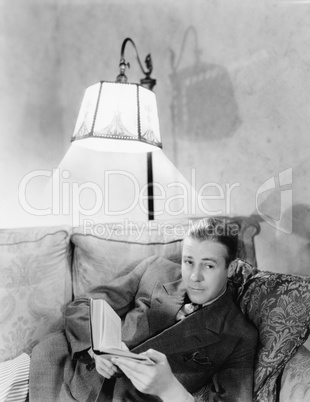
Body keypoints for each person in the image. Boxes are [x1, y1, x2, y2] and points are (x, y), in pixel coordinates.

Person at [27, 217, 257, 401]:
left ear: (231, 268)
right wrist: (96, 348)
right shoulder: (155, 269)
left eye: (208, 265)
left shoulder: (239, 336)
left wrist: (171, 391)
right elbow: (83, 305)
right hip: (64, 374)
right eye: (188, 262)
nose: (194, 276)